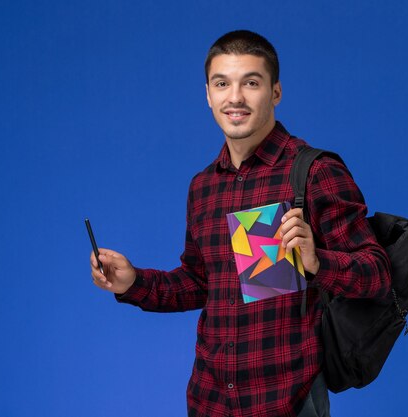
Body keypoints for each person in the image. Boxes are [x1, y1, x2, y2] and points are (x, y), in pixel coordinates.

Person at [90, 30, 391, 417]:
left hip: (288, 401)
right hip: (210, 401)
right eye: (222, 84)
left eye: (251, 82)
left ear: (275, 92)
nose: (235, 97)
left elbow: (377, 274)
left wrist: (317, 262)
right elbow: (201, 284)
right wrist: (133, 282)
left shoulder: (313, 172)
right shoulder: (203, 187)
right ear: (208, 95)